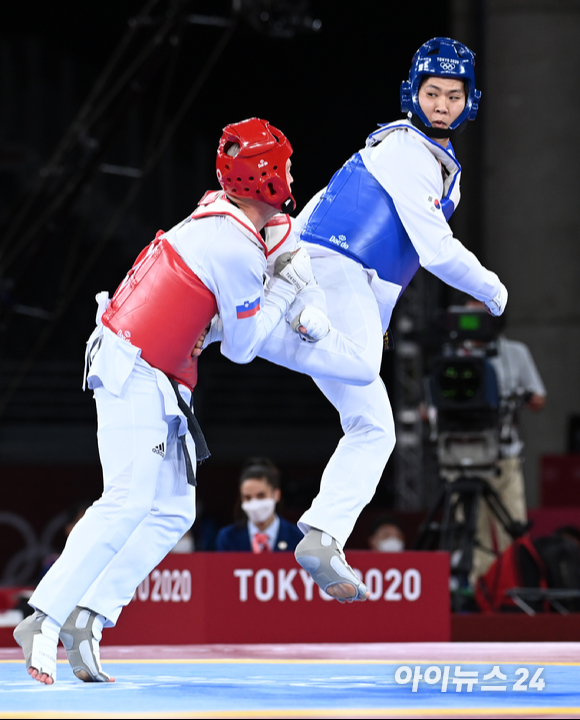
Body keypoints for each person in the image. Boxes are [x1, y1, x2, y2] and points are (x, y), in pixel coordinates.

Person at [13, 118, 370, 686]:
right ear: (268, 175)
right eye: (287, 165)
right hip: (134, 366)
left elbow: (271, 266)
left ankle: (90, 616)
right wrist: (284, 288)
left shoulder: (234, 220)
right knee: (127, 499)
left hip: (163, 376)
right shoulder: (230, 245)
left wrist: (291, 277)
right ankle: (44, 617)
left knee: (173, 511)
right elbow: (246, 347)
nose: (294, 175)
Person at [224, 37, 507, 604]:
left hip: (339, 281)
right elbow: (438, 253)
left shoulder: (417, 154)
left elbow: (331, 211)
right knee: (361, 368)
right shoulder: (406, 148)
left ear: (470, 100)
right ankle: (244, 330)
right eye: (433, 93)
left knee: (375, 425)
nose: (443, 104)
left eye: (454, 95)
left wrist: (298, 275)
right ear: (414, 94)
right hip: (336, 269)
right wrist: (495, 291)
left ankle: (323, 534)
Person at [458, 301, 547, 583]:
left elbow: (538, 398)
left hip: (504, 454)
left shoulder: (516, 352)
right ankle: (476, 588)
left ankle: (512, 588)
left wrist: (515, 398)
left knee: (512, 523)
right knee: (472, 527)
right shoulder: (452, 356)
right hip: (464, 455)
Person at [216, 457, 303, 552]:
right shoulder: (228, 537)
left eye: (261, 496)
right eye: (248, 497)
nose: (254, 503)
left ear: (276, 495)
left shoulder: (297, 537)